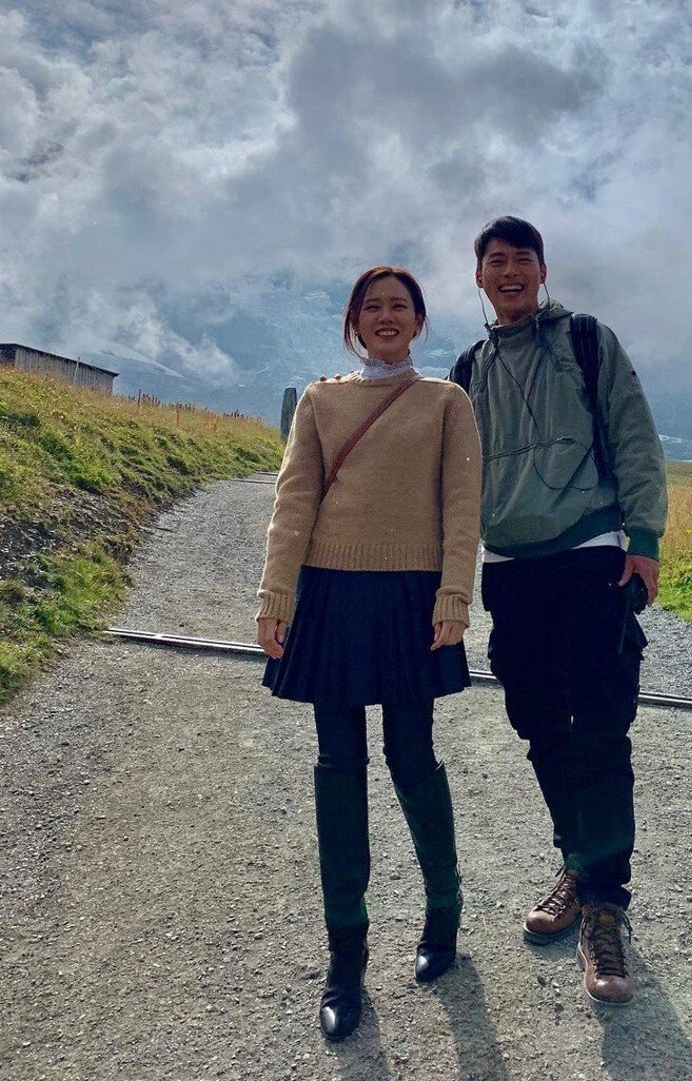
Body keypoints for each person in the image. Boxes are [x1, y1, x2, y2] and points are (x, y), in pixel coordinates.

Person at [256, 266, 482, 1042]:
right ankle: (344, 958)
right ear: (353, 322)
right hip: (330, 594)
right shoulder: (321, 401)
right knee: (337, 768)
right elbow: (294, 504)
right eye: (371, 307)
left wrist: (455, 595)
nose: (386, 318)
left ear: (419, 321)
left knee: (412, 758)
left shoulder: (447, 402)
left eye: (400, 307)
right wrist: (274, 597)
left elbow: (461, 505)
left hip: (408, 598)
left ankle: (443, 916)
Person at [452, 216, 667, 1006]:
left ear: (542, 271)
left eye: (522, 260)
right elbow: (450, 483)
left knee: (600, 722)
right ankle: (579, 861)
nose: (509, 272)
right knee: (539, 722)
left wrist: (642, 538)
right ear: (479, 278)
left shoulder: (585, 340)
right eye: (494, 262)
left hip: (590, 556)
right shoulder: (467, 368)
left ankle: (605, 907)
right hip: (510, 569)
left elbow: (634, 434)